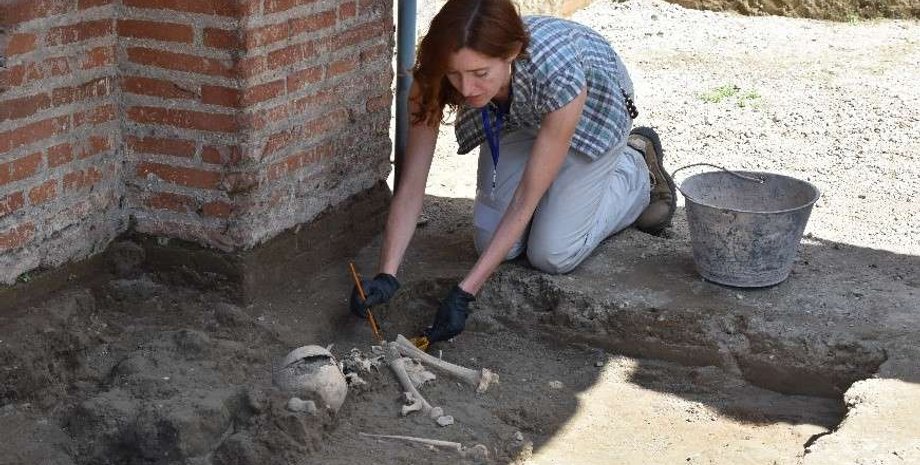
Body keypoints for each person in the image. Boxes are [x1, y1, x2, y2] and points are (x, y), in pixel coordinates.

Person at [349, 0, 676, 343]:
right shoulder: (435, 78)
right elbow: (412, 186)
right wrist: (386, 274)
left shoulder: (558, 73)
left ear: (512, 54)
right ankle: (567, 190)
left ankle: (637, 166)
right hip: (515, 114)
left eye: (479, 74)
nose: (466, 89)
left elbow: (525, 199)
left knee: (553, 252)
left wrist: (465, 293)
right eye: (455, 73)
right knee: (494, 245)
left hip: (591, 107)